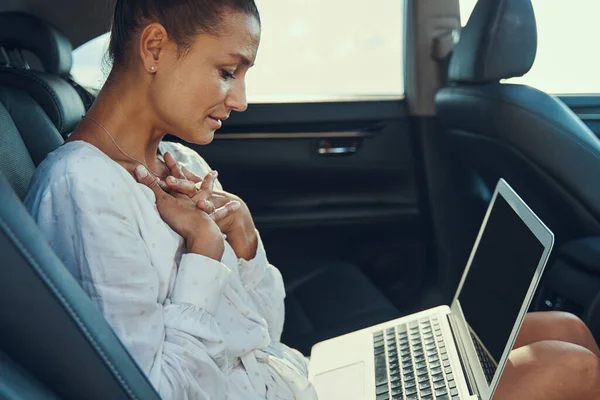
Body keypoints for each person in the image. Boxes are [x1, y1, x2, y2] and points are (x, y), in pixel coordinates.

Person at [23, 0, 600, 398]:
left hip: (292, 378)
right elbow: (151, 390)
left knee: (567, 328)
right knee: (567, 370)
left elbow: (264, 334)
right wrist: (202, 250)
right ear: (154, 47)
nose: (241, 99)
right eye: (228, 71)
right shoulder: (82, 189)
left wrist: (245, 250)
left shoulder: (183, 165)